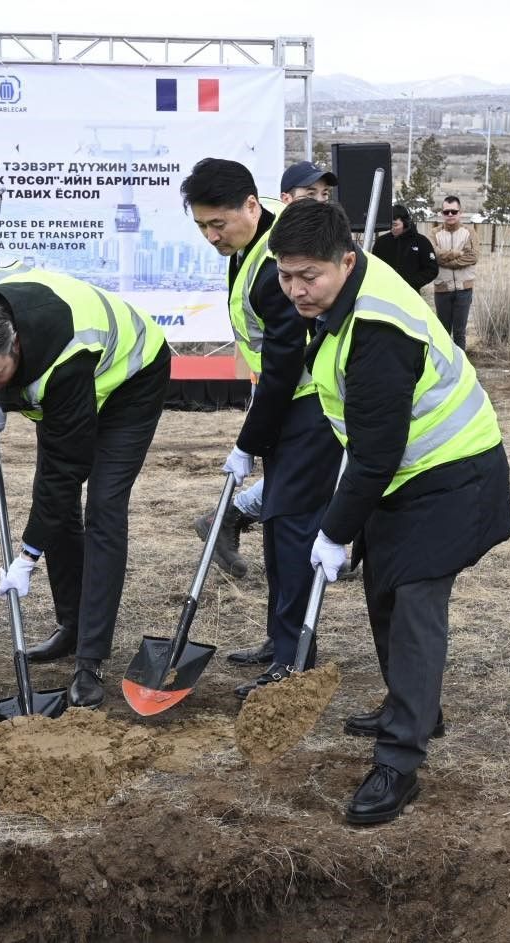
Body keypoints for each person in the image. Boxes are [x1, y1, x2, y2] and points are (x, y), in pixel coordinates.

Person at [269, 199, 510, 825]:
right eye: (285, 274)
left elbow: (376, 451)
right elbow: (361, 435)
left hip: (453, 471)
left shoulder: (378, 328)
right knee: (382, 588)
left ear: (346, 262)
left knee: (413, 605)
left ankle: (400, 760)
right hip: (401, 475)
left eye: (309, 276)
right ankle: (414, 706)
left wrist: (333, 531)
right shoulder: (335, 301)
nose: (295, 289)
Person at [0, 263, 169, 709]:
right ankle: (71, 626)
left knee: (102, 507)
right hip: (66, 390)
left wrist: (27, 556)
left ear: (17, 343)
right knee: (59, 514)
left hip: (131, 380)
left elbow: (65, 469)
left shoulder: (64, 355)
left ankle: (91, 658)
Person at [180, 158, 342, 694]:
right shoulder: (249, 247)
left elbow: (284, 360)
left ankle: (294, 660)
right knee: (277, 529)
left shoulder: (280, 263)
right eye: (203, 226)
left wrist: (249, 441)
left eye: (218, 223)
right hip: (285, 405)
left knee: (293, 531)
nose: (211, 235)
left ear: (252, 205)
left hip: (311, 407)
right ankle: (282, 638)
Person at [429, 195, 479, 350]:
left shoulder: (469, 232)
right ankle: (444, 369)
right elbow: (433, 255)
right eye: (446, 212)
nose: (450, 215)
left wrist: (446, 261)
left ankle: (461, 370)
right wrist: (457, 254)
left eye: (453, 211)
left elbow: (472, 257)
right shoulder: (434, 234)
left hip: (464, 290)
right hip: (442, 289)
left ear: (460, 212)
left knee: (459, 333)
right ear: (442, 213)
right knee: (442, 332)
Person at [372, 203, 439, 293]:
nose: (392, 228)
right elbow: (374, 267)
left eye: (395, 225)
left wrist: (412, 283)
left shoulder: (421, 242)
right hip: (385, 293)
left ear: (405, 223)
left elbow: (432, 269)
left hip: (410, 294)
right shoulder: (381, 242)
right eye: (390, 225)